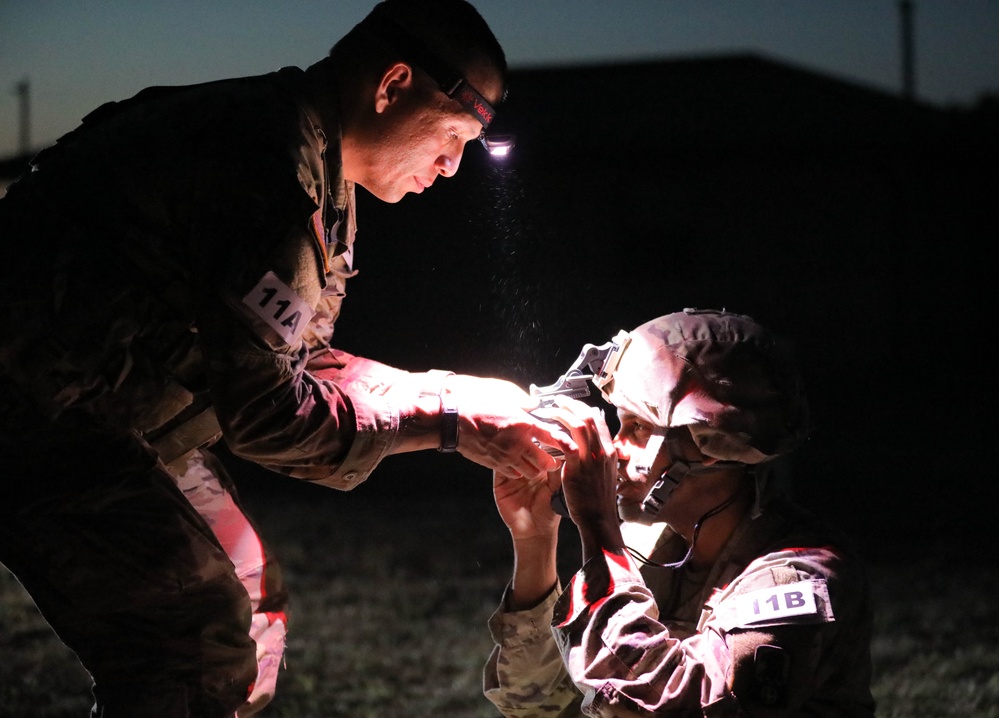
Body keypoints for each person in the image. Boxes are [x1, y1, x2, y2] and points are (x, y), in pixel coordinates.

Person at [0, 1, 569, 716]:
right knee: (189, 639)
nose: (451, 168)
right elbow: (268, 416)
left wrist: (447, 390)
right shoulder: (266, 169)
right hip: (39, 413)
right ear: (392, 86)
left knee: (247, 596)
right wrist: (447, 423)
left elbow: (297, 358)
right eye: (452, 136)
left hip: (106, 408)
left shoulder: (318, 165)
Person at [484, 308, 876, 716]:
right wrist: (535, 539)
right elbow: (538, 703)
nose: (615, 447)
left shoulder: (798, 579)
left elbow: (671, 706)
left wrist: (598, 528)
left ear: (709, 445)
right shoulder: (647, 546)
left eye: (636, 427)